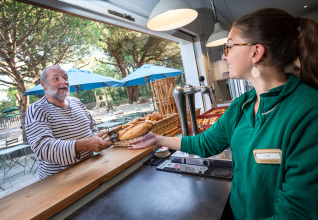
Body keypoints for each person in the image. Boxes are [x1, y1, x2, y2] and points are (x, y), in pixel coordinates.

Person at [129, 8, 318, 219]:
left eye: (229, 46)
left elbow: (296, 214)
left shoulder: (309, 112)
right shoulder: (241, 106)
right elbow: (204, 143)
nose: (224, 55)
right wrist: (157, 139)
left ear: (256, 52)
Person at [25, 65, 112, 179]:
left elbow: (92, 128)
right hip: (60, 181)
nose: (63, 82)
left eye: (65, 78)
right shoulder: (36, 109)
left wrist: (100, 140)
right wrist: (87, 144)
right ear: (43, 84)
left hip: (91, 170)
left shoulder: (76, 102)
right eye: (56, 79)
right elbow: (44, 148)